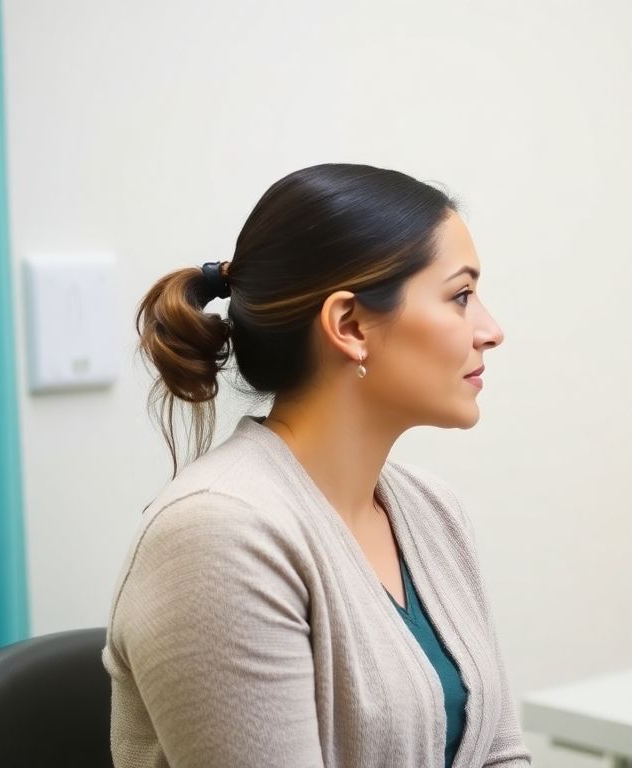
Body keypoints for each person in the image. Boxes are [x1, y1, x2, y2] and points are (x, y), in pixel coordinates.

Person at [105, 163, 529, 768]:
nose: (491, 331)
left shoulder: (433, 511)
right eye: (461, 296)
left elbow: (499, 753)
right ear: (350, 326)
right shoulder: (217, 537)